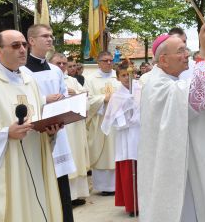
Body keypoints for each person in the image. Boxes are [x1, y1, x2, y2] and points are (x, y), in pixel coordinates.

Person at [0, 30, 63, 221]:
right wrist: (5, 133)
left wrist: (49, 131)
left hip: (33, 162)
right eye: (15, 45)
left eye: (24, 44)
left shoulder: (29, 81)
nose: (23, 49)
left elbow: (38, 116)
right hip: (3, 170)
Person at [138, 22, 205, 221]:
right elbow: (193, 99)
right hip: (171, 169)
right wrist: (204, 51)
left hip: (185, 163)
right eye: (181, 51)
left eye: (186, 49)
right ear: (163, 60)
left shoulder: (171, 81)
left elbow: (199, 91)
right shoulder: (155, 85)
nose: (187, 54)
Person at [23, 24, 76, 222]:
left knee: (61, 185)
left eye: (51, 36)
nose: (50, 39)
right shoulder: (22, 71)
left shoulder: (55, 70)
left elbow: (62, 95)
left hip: (58, 130)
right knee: (41, 182)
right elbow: (22, 100)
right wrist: (45, 100)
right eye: (45, 36)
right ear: (32, 41)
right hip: (35, 133)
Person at [50, 52, 91, 207]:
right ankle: (64, 196)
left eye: (64, 63)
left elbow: (88, 98)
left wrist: (77, 94)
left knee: (76, 158)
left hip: (74, 126)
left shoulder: (73, 81)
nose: (61, 66)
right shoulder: (48, 79)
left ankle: (77, 194)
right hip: (59, 127)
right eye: (58, 63)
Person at [102, 63, 141, 217]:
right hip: (126, 134)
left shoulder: (141, 90)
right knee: (129, 166)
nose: (127, 78)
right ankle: (132, 204)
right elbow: (112, 116)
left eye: (129, 74)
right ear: (118, 78)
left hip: (140, 132)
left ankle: (144, 202)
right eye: (123, 75)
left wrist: (137, 112)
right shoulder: (117, 96)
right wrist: (125, 119)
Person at [84, 51, 119, 195]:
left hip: (117, 123)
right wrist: (103, 99)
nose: (109, 63)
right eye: (105, 60)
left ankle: (119, 185)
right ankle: (104, 186)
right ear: (98, 62)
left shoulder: (118, 77)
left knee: (116, 151)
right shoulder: (90, 79)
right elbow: (87, 100)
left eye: (111, 60)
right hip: (100, 122)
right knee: (103, 153)